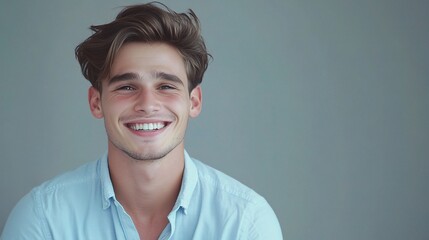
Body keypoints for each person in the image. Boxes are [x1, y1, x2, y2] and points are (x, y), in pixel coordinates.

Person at [1, 2, 283, 239]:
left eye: (166, 86)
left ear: (193, 102)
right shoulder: (42, 221)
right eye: (126, 87)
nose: (147, 105)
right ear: (96, 102)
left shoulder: (246, 224)